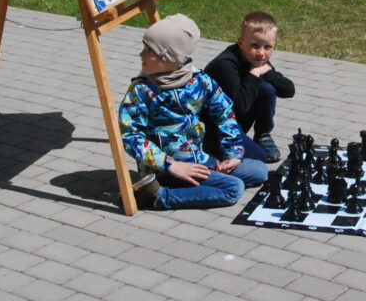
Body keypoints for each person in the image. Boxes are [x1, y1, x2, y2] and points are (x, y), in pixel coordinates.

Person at [118, 14, 268, 210]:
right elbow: (130, 136)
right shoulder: (141, 90)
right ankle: (157, 196)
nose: (141, 54)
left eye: (149, 50)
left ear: (170, 56)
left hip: (198, 159)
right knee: (233, 189)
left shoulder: (198, 80)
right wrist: (171, 165)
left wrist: (233, 152)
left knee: (259, 171)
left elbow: (224, 113)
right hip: (165, 169)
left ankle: (201, 185)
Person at [205, 11, 295, 163]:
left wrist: (268, 73)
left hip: (235, 121)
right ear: (241, 43)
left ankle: (262, 135)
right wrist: (254, 74)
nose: (261, 53)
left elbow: (289, 90)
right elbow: (239, 106)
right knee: (260, 157)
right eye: (255, 46)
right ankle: (216, 150)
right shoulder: (225, 65)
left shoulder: (255, 59)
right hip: (214, 126)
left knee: (267, 88)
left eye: (268, 47)